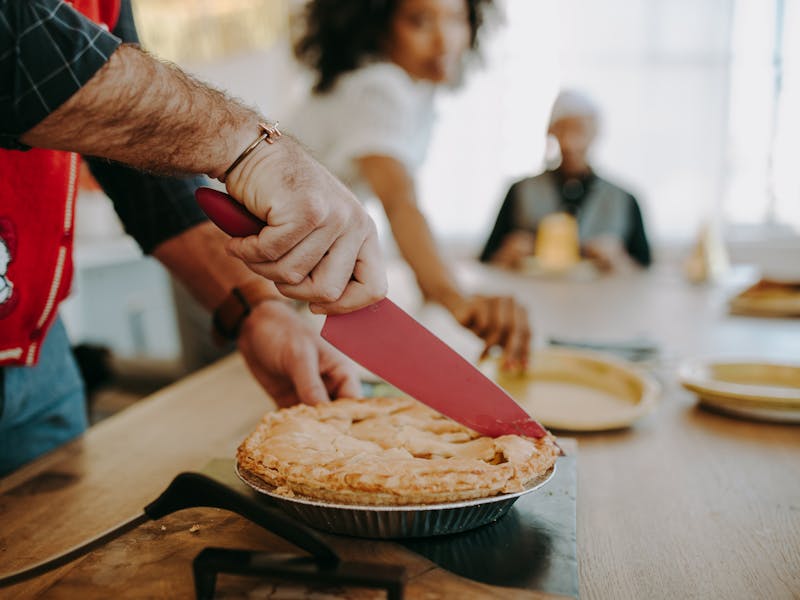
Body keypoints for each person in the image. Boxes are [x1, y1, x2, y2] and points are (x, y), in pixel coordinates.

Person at [0, 0, 388, 475]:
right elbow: (14, 44)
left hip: (38, 356)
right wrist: (254, 149)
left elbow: (144, 174)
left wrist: (257, 310)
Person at [289, 0, 531, 368]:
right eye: (420, 22)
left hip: (275, 253)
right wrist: (455, 298)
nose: (444, 40)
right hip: (226, 248)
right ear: (378, 26)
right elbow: (400, 202)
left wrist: (437, 290)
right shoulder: (379, 88)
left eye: (455, 18)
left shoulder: (414, 89)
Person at [480, 90, 652, 272]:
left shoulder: (624, 198)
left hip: (604, 298)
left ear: (595, 133)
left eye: (579, 130)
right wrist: (507, 253)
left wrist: (619, 260)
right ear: (551, 132)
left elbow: (646, 271)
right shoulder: (520, 190)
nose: (570, 142)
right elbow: (486, 260)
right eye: (562, 129)